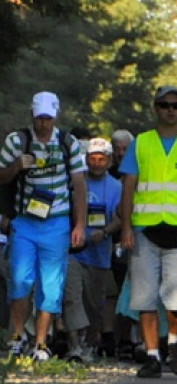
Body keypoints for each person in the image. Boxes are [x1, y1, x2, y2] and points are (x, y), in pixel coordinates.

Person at [119, 84, 177, 378]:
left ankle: (173, 343)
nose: (170, 110)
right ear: (155, 108)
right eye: (164, 105)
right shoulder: (141, 143)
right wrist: (126, 228)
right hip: (146, 230)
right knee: (144, 297)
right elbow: (129, 186)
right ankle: (152, 356)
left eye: (175, 105)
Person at [0, 91, 87, 361]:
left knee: (51, 285)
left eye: (48, 118)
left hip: (57, 221)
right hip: (25, 221)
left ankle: (41, 343)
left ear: (56, 116)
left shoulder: (68, 143)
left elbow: (79, 184)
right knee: (20, 279)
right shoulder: (18, 141)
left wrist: (80, 225)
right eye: (39, 119)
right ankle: (17, 335)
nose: (43, 124)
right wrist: (16, 166)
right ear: (31, 116)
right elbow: (1, 175)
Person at [63, 137, 122, 362]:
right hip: (74, 250)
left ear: (108, 161)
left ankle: (89, 343)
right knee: (71, 296)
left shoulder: (116, 186)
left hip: (99, 253)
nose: (97, 163)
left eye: (101, 159)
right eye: (93, 158)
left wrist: (106, 232)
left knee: (94, 303)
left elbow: (120, 217)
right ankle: (74, 345)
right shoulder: (75, 182)